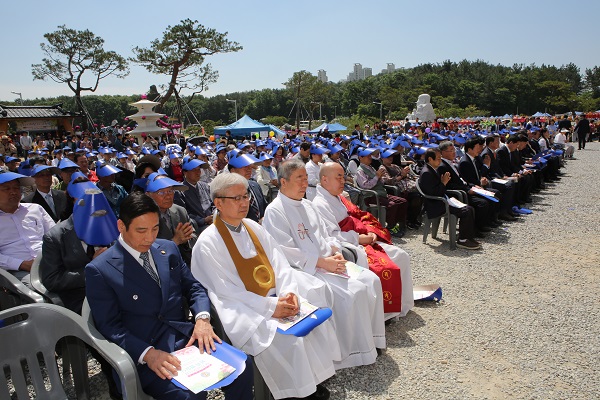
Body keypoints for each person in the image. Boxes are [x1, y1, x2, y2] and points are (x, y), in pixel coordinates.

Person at [85, 192, 253, 400]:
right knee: (189, 396)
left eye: (155, 228)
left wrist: (202, 319)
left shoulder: (167, 249)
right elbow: (109, 326)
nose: (149, 237)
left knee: (243, 369)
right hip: (147, 352)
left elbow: (194, 288)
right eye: (141, 230)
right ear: (121, 226)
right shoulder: (100, 269)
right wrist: (147, 353)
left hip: (187, 339)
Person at [192, 173, 339, 400]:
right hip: (244, 306)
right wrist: (271, 307)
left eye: (246, 196)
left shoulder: (252, 226)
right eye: (236, 198)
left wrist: (288, 293)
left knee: (313, 312)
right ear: (218, 203)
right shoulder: (208, 242)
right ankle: (296, 392)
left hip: (274, 297)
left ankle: (313, 379)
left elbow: (279, 263)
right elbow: (225, 290)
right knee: (285, 338)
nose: (244, 203)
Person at [263, 159, 386, 370]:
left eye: (305, 178)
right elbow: (285, 251)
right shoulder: (275, 211)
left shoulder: (308, 205)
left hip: (327, 261)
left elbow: (323, 236)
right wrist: (323, 262)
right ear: (283, 182)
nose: (304, 184)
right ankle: (352, 352)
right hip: (306, 269)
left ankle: (372, 341)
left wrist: (335, 252)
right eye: (299, 179)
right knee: (353, 292)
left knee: (371, 280)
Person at [313, 162, 414, 319]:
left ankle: (402, 305)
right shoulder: (319, 204)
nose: (343, 181)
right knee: (388, 264)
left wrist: (370, 231)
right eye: (338, 177)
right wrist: (359, 238)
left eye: (343, 176)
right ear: (324, 180)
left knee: (401, 255)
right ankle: (384, 313)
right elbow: (331, 235)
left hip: (359, 239)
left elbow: (356, 217)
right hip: (349, 246)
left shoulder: (338, 197)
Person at [418, 148, 480, 250]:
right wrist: (443, 183)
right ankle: (462, 240)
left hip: (442, 200)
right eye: (438, 159)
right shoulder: (427, 173)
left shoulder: (433, 169)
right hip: (436, 204)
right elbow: (433, 193)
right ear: (430, 159)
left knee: (469, 208)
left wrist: (443, 185)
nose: (440, 161)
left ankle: (467, 237)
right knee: (466, 211)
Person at [0, 171, 55, 285]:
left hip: (50, 261)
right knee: (43, 289)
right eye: (6, 189)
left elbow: (55, 235)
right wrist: (21, 264)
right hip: (16, 271)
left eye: (16, 188)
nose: (13, 192)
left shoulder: (35, 209)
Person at [145, 172, 197, 266]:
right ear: (148, 195)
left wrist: (186, 239)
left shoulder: (180, 210)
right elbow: (146, 251)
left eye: (170, 191)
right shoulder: (144, 218)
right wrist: (174, 241)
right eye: (161, 192)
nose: (168, 196)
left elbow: (193, 236)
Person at [355, 147, 408, 237]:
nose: (370, 157)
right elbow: (365, 186)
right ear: (360, 157)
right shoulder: (360, 171)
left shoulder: (371, 167)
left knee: (402, 201)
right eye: (368, 156)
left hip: (381, 193)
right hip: (370, 196)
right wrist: (377, 177)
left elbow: (381, 181)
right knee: (392, 205)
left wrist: (381, 178)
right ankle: (390, 227)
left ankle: (398, 224)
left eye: (370, 155)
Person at [174, 158, 214, 236]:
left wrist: (214, 215)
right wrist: (203, 220)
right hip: (196, 227)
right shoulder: (180, 191)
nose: (198, 173)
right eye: (194, 170)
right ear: (185, 173)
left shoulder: (204, 186)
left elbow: (213, 203)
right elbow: (184, 214)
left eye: (199, 170)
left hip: (213, 222)